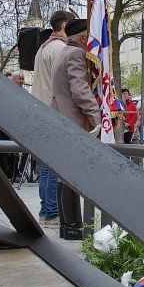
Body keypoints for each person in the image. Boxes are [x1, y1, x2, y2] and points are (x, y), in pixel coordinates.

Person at [50, 18, 101, 240]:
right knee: (70, 175)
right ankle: (73, 227)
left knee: (64, 175)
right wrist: (96, 116)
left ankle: (67, 226)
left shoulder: (62, 52)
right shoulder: (76, 54)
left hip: (60, 117)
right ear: (82, 38)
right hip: (72, 120)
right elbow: (79, 89)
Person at [32, 9, 76, 225]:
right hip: (53, 111)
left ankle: (45, 210)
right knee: (52, 167)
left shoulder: (43, 48)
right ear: (65, 25)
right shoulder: (60, 48)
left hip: (41, 110)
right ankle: (51, 212)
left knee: (46, 166)